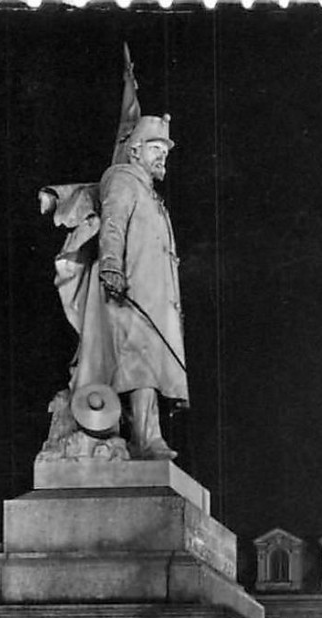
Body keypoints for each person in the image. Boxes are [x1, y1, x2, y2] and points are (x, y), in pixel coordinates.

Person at [42, 112, 187, 461]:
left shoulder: (151, 195)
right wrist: (110, 264)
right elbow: (113, 224)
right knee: (140, 364)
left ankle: (147, 435)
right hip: (130, 289)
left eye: (164, 151)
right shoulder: (123, 179)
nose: (161, 156)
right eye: (155, 148)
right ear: (134, 150)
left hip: (153, 294)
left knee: (150, 362)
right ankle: (145, 438)